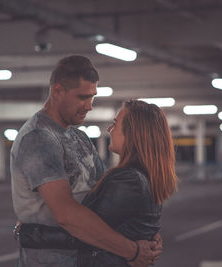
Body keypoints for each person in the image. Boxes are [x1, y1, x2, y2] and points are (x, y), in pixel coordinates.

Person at [10, 55, 162, 267]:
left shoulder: (79, 138)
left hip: (87, 258)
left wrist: (143, 233)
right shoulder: (38, 138)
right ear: (57, 92)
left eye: (92, 96)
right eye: (82, 97)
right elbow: (66, 215)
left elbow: (105, 199)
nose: (89, 106)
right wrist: (133, 250)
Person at [16, 100, 178, 266]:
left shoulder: (129, 181)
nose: (109, 129)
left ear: (134, 132)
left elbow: (87, 233)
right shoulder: (144, 176)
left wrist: (27, 232)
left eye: (115, 124)